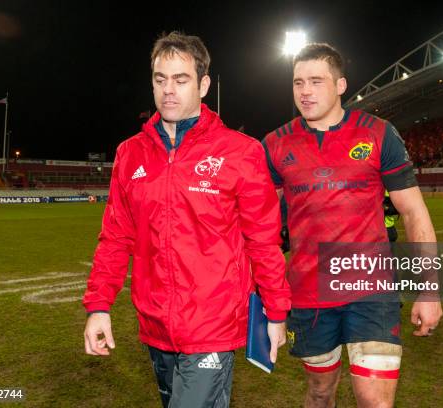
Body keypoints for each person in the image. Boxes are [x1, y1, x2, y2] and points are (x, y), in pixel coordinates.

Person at [82, 32, 290, 408]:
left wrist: (276, 312)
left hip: (214, 325)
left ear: (204, 84)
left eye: (181, 80)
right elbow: (114, 238)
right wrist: (99, 305)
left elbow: (263, 241)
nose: (169, 91)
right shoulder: (130, 154)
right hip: (155, 324)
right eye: (160, 80)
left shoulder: (241, 152)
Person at [262, 43, 443, 408]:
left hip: (370, 289)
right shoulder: (275, 145)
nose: (305, 92)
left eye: (316, 81)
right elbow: (259, 222)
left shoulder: (378, 133)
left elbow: (414, 212)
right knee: (320, 393)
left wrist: (429, 290)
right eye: (298, 83)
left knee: (374, 401)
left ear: (341, 85)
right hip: (309, 293)